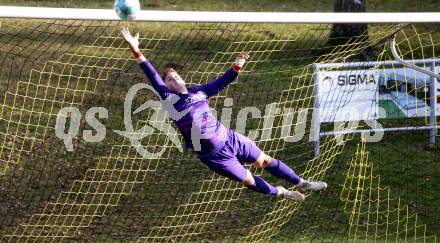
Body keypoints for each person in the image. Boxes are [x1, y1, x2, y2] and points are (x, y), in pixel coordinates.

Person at [121, 27, 327, 201]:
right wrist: (136, 49)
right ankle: (283, 192)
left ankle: (302, 183)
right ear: (166, 87)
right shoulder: (170, 100)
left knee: (263, 160)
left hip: (228, 137)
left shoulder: (199, 91)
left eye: (175, 75)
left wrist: (237, 64)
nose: (173, 79)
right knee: (248, 179)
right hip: (213, 155)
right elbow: (152, 75)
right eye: (169, 80)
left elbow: (222, 82)